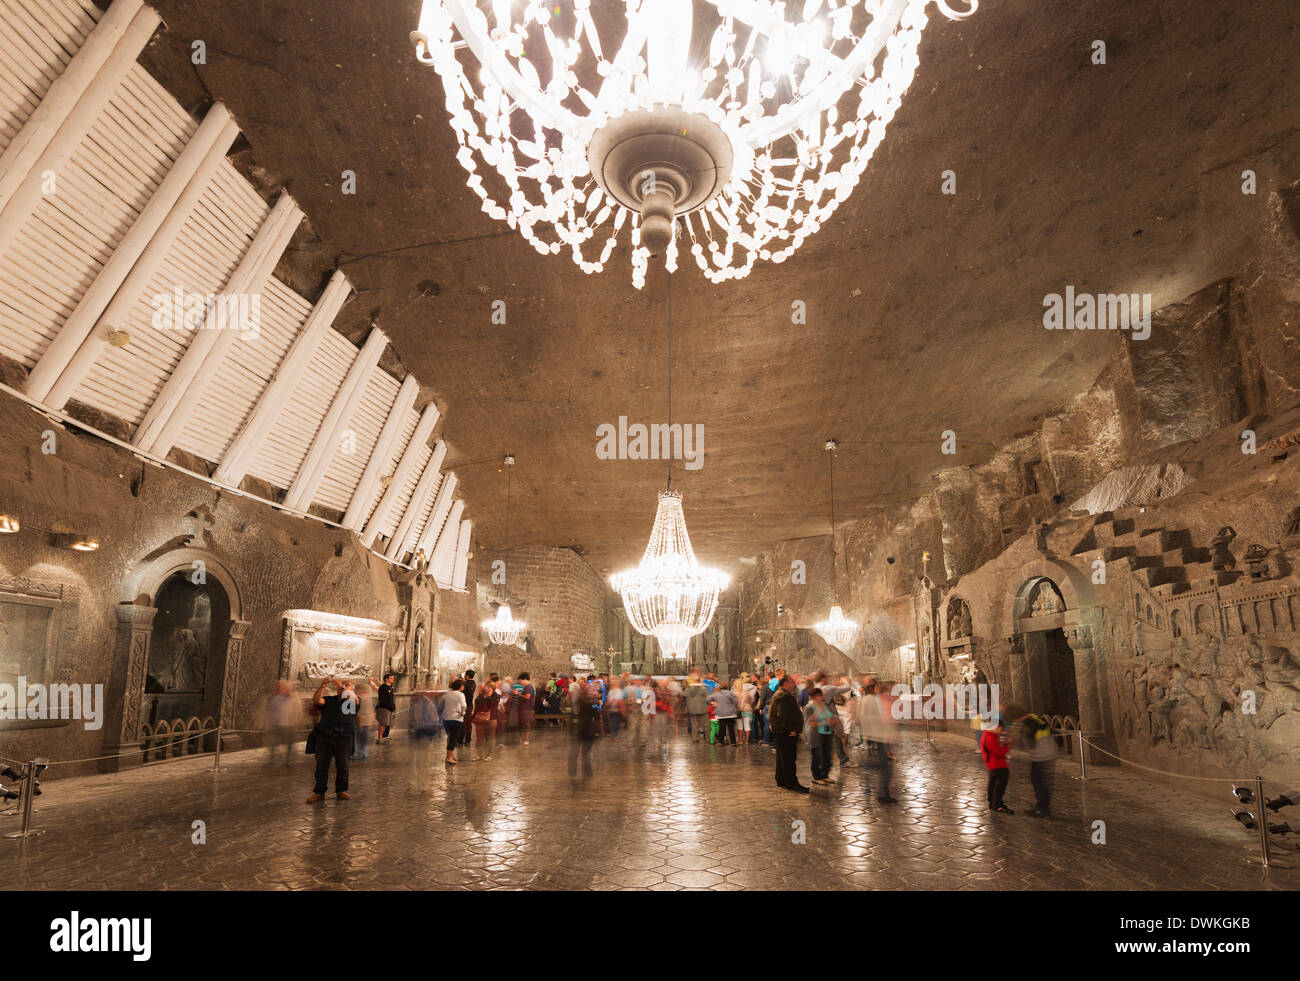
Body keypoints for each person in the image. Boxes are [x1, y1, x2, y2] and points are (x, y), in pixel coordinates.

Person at [307, 677, 358, 802]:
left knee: (342, 766)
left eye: (347, 687)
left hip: (344, 738)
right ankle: (319, 792)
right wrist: (322, 687)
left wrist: (340, 686)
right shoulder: (329, 700)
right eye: (342, 687)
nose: (343, 688)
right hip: (324, 737)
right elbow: (316, 700)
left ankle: (341, 790)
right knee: (321, 766)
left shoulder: (352, 702)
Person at [857, 679, 898, 803]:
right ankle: (883, 794)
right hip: (879, 735)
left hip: (873, 734)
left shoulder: (866, 700)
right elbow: (882, 717)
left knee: (883, 765)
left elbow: (862, 716)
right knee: (885, 768)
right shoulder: (875, 700)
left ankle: (881, 791)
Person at [769, 674, 808, 793]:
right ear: (785, 684)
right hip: (785, 732)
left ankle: (781, 780)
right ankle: (791, 783)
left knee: (782, 758)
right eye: (792, 682)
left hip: (780, 731)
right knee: (788, 758)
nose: (794, 684)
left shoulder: (781, 694)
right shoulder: (784, 696)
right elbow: (783, 715)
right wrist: (791, 729)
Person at [1016, 709, 1055, 817]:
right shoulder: (1035, 717)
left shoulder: (1029, 723)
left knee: (1038, 782)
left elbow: (1030, 742)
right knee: (1040, 781)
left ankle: (1043, 808)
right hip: (1046, 753)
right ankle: (1042, 805)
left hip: (1040, 756)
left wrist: (1022, 741)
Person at [261, 680, 303, 767]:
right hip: (274, 724)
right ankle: (271, 760)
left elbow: (298, 711)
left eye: (284, 687)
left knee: (289, 745)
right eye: (280, 687)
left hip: (288, 725)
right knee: (272, 744)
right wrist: (266, 723)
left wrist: (296, 722)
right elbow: (268, 711)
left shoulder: (293, 698)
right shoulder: (273, 697)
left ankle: (288, 761)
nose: (281, 688)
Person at [408, 689, 442, 790]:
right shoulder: (415, 704)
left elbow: (434, 722)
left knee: (424, 762)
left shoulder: (428, 704)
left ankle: (423, 784)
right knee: (415, 762)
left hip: (425, 737)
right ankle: (415, 784)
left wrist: (431, 739)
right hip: (417, 737)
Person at [803, 688, 838, 784]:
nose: (822, 697)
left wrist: (833, 721)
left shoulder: (823, 705)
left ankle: (824, 775)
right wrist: (827, 722)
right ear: (815, 696)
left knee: (827, 755)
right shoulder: (809, 707)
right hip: (817, 734)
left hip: (827, 733)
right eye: (820, 695)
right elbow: (811, 724)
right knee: (817, 756)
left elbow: (831, 717)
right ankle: (816, 776)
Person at [980, 714, 1013, 813]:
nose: (1001, 732)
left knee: (993, 784)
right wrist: (1008, 747)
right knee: (1000, 785)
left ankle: (992, 802)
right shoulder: (989, 737)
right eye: (1000, 729)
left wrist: (1005, 744)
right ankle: (997, 804)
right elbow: (999, 752)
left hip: (993, 764)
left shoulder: (990, 736)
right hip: (997, 765)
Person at [569, 683, 600, 780]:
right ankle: (587, 772)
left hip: (577, 728)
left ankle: (572, 772)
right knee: (586, 752)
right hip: (588, 729)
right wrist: (598, 732)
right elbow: (597, 718)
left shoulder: (578, 701)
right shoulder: (595, 704)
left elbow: (573, 713)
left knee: (574, 751)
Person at [471, 681, 500, 761]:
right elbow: (476, 704)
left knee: (490, 737)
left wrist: (489, 696)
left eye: (486, 686)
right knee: (479, 738)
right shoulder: (481, 695)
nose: (484, 687)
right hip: (480, 718)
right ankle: (479, 755)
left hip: (491, 718)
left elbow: (493, 706)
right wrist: (473, 717)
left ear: (491, 688)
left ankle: (490, 755)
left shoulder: (496, 696)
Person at [442, 679, 467, 765]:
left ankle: (449, 756)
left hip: (446, 719)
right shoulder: (461, 694)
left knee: (450, 737)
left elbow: (442, 704)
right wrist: (463, 713)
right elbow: (464, 705)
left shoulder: (447, 694)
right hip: (456, 719)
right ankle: (449, 758)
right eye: (463, 685)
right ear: (460, 686)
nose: (463, 687)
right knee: (454, 738)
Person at [370, 673, 397, 743]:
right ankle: (379, 738)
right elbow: (382, 697)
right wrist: (373, 682)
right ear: (386, 679)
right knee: (383, 724)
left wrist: (392, 707)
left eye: (393, 678)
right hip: (384, 708)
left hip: (389, 708)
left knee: (386, 724)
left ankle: (384, 737)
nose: (393, 679)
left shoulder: (390, 687)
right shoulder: (383, 687)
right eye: (391, 678)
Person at [684, 677, 709, 741]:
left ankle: (695, 738)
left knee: (694, 725)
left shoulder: (688, 689)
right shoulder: (704, 689)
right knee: (706, 724)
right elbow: (708, 698)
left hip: (692, 709)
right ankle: (708, 738)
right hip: (703, 709)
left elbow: (683, 695)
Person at [515, 673, 535, 744]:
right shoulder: (526, 687)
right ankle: (522, 739)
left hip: (527, 708)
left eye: (520, 681)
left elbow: (527, 697)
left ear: (525, 679)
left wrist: (518, 694)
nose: (520, 683)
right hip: (524, 708)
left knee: (526, 724)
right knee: (523, 724)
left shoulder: (529, 687)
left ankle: (526, 740)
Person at [461, 670, 477, 748]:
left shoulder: (466, 684)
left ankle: (461, 738)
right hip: (469, 704)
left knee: (464, 722)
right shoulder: (473, 683)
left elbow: (463, 691)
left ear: (467, 676)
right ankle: (467, 738)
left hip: (465, 704)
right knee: (467, 722)